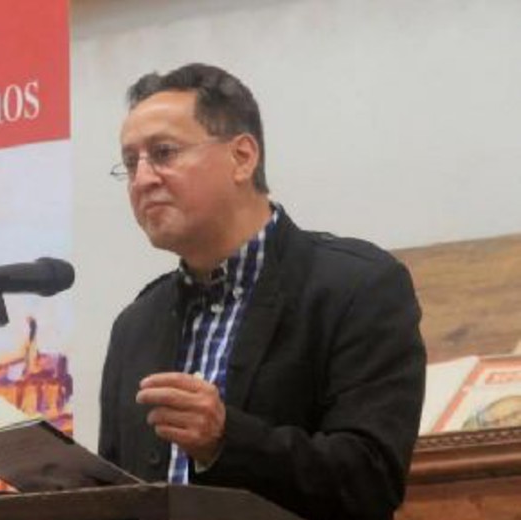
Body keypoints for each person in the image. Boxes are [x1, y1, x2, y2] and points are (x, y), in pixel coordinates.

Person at [98, 63, 426, 520]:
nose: (142, 179)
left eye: (164, 153)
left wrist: (226, 440)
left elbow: (370, 478)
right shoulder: (135, 324)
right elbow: (118, 491)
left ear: (242, 157)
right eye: (131, 162)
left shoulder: (357, 286)